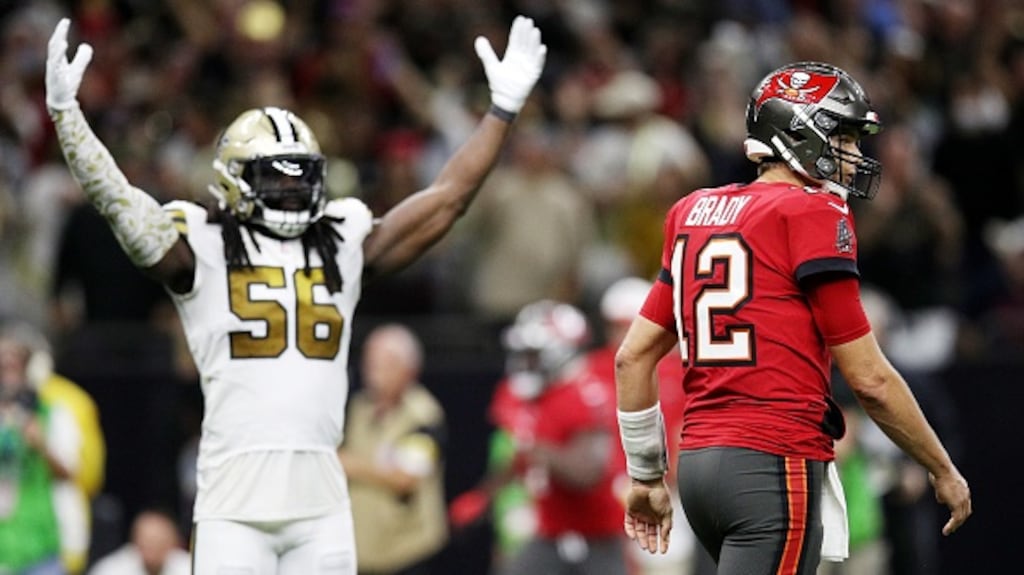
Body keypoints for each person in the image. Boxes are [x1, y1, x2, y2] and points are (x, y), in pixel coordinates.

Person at [45, 14, 545, 575]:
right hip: (234, 508)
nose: (292, 189)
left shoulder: (342, 240)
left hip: (321, 507)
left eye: (301, 175)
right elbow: (117, 201)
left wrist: (501, 112)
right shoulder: (202, 245)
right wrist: (68, 119)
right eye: (275, 177)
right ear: (234, 180)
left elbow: (447, 199)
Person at [612, 61, 972, 575]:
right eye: (843, 138)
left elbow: (632, 357)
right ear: (798, 135)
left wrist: (646, 476)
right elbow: (869, 379)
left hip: (700, 466)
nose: (854, 156)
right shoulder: (812, 212)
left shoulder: (692, 211)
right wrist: (941, 466)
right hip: (773, 460)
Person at [453, 300, 630, 575]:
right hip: (549, 532)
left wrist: (541, 452)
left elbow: (589, 472)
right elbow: (521, 456)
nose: (524, 362)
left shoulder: (587, 395)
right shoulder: (530, 397)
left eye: (533, 354)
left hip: (598, 536)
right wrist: (483, 496)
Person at [338, 323, 448, 575]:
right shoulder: (357, 408)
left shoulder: (424, 415)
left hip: (407, 553)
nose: (374, 372)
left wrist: (349, 464)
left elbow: (405, 477)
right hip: (362, 550)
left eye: (385, 364)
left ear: (409, 369)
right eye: (370, 362)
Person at [0, 322, 80, 575]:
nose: (7, 372)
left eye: (15, 364)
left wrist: (42, 445)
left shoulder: (54, 413)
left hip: (39, 548)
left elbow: (70, 473)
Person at [87, 508, 190, 575]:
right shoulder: (111, 570)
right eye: (147, 542)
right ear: (135, 541)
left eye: (159, 543)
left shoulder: (188, 568)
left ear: (173, 544)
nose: (152, 548)